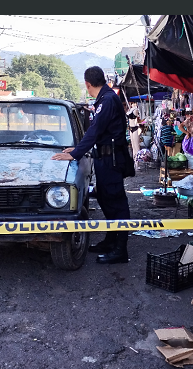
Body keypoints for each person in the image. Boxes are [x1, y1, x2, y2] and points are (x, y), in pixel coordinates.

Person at [51, 66, 132, 264]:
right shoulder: (105, 98)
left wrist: (76, 154)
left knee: (116, 203)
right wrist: (77, 148)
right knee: (105, 200)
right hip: (104, 160)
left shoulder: (108, 100)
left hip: (111, 160)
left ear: (87, 84)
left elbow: (95, 131)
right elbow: (95, 132)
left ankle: (121, 250)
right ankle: (111, 240)